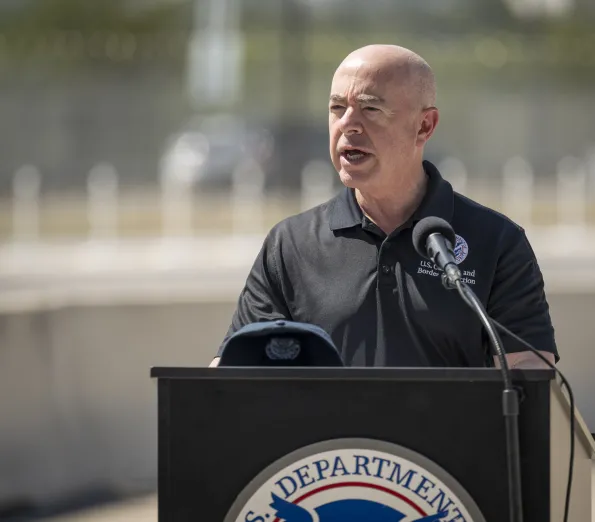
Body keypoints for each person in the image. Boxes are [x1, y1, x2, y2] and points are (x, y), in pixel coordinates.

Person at [210, 44, 558, 369]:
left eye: (370, 108)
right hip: (331, 438)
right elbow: (234, 371)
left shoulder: (496, 242)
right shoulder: (291, 244)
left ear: (424, 126)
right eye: (337, 108)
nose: (347, 124)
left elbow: (531, 380)